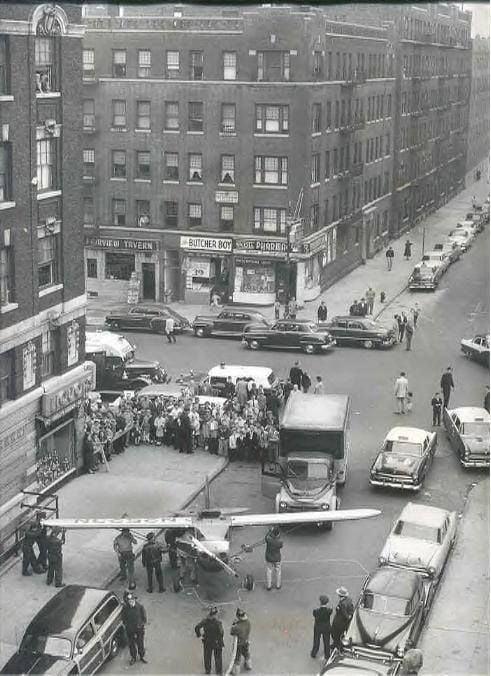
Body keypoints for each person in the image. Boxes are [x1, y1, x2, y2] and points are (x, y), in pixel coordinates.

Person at [195, 606, 224, 675]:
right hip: (217, 642)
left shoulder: (205, 621)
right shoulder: (218, 623)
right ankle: (219, 672)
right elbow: (221, 632)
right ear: (215, 614)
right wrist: (221, 641)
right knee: (218, 657)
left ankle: (208, 671)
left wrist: (200, 636)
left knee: (207, 657)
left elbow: (197, 627)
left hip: (207, 641)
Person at [122, 593, 148, 665]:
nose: (130, 602)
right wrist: (126, 625)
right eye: (129, 601)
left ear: (134, 600)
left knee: (140, 643)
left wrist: (141, 625)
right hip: (130, 630)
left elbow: (144, 618)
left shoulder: (140, 607)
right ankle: (133, 657)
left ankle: (142, 656)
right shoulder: (125, 608)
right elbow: (123, 618)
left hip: (139, 629)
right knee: (131, 644)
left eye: (132, 600)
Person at [330, 587, 354, 652]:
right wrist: (350, 616)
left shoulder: (342, 604)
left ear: (340, 595)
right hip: (345, 623)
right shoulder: (349, 599)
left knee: (335, 634)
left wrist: (347, 616)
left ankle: (338, 646)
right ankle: (335, 644)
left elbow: (344, 614)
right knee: (340, 633)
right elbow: (352, 609)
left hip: (339, 622)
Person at [311, 595, 332, 660]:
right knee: (326, 641)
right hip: (326, 627)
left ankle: (314, 653)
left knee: (316, 640)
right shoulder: (329, 610)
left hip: (318, 627)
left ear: (320, 602)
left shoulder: (316, 611)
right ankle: (327, 655)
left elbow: (314, 615)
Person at [230, 608, 251, 674]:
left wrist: (233, 624)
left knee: (237, 657)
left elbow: (232, 632)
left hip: (239, 644)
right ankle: (248, 665)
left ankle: (236, 672)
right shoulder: (248, 622)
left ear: (238, 616)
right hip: (246, 641)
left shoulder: (237, 627)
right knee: (246, 653)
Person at [265, 526, 283, 590]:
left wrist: (269, 531)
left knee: (269, 571)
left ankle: (269, 586)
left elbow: (266, 537)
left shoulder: (268, 539)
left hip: (269, 558)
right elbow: (281, 546)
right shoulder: (279, 541)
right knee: (278, 571)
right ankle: (278, 585)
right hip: (277, 558)